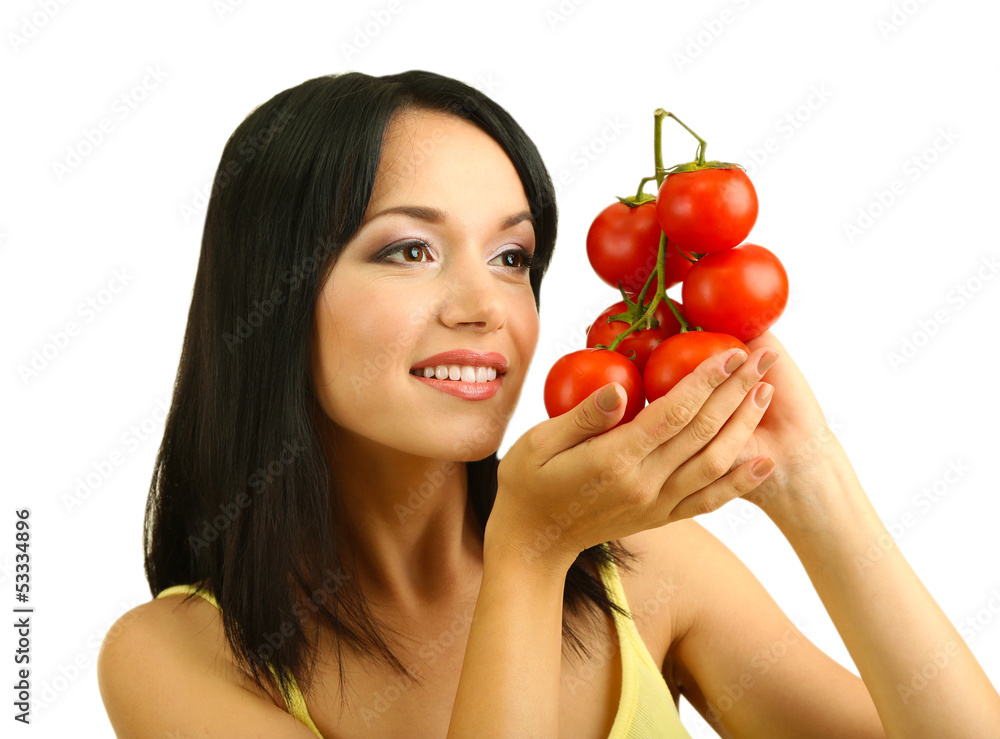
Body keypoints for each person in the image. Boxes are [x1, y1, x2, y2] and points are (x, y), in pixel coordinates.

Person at [97, 70, 1000, 738]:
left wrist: (813, 485)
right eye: (409, 250)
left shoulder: (645, 568)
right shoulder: (174, 655)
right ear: (274, 294)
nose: (486, 306)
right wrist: (527, 553)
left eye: (512, 257)